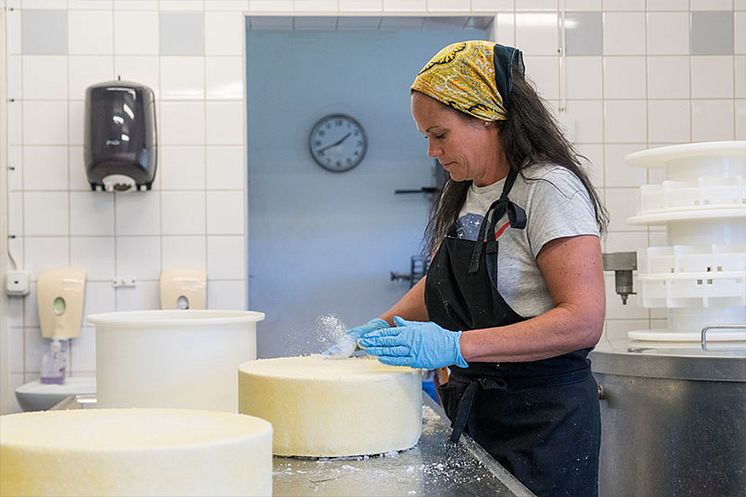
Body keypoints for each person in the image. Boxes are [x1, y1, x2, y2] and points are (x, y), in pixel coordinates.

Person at [326, 40, 608, 497]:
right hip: (478, 414)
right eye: (426, 138)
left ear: (487, 117)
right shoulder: (468, 189)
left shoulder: (549, 189)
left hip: (542, 425)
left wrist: (456, 345)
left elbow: (583, 320)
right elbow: (444, 279)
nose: (432, 152)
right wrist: (384, 323)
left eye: (440, 135)